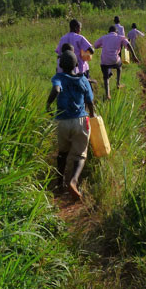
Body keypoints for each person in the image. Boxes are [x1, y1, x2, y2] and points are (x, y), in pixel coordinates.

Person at [46, 46, 95, 200]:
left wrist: (48, 104)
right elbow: (90, 102)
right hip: (81, 120)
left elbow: (56, 89)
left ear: (61, 65)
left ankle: (59, 183)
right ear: (76, 65)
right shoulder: (83, 80)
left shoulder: (58, 77)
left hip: (62, 121)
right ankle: (73, 181)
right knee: (80, 154)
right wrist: (92, 117)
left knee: (62, 153)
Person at [94, 26, 139, 100]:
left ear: (108, 31)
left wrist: (103, 45)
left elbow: (95, 46)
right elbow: (128, 45)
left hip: (104, 61)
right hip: (115, 60)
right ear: (116, 32)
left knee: (106, 77)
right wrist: (134, 56)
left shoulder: (104, 37)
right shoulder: (120, 37)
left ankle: (107, 95)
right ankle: (118, 83)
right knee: (119, 66)